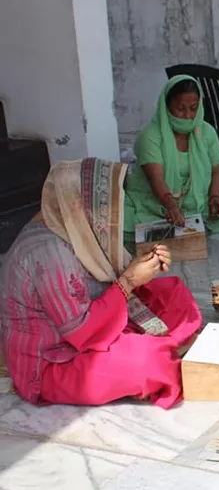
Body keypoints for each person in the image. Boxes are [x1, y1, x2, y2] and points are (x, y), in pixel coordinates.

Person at [0, 158, 202, 409]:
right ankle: (161, 347)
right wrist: (129, 280)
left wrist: (142, 265)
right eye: (103, 204)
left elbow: (104, 274)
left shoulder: (72, 225)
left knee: (172, 293)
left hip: (92, 322)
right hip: (54, 361)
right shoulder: (49, 252)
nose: (109, 212)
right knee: (150, 361)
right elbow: (80, 332)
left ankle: (158, 342)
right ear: (77, 203)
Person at [124, 75, 219, 237]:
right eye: (180, 108)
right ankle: (188, 227)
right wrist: (171, 206)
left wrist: (214, 197)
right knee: (126, 219)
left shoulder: (206, 132)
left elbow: (217, 172)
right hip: (155, 202)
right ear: (167, 106)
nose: (187, 115)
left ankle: (175, 229)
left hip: (196, 199)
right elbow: (156, 178)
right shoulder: (150, 135)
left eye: (193, 108)